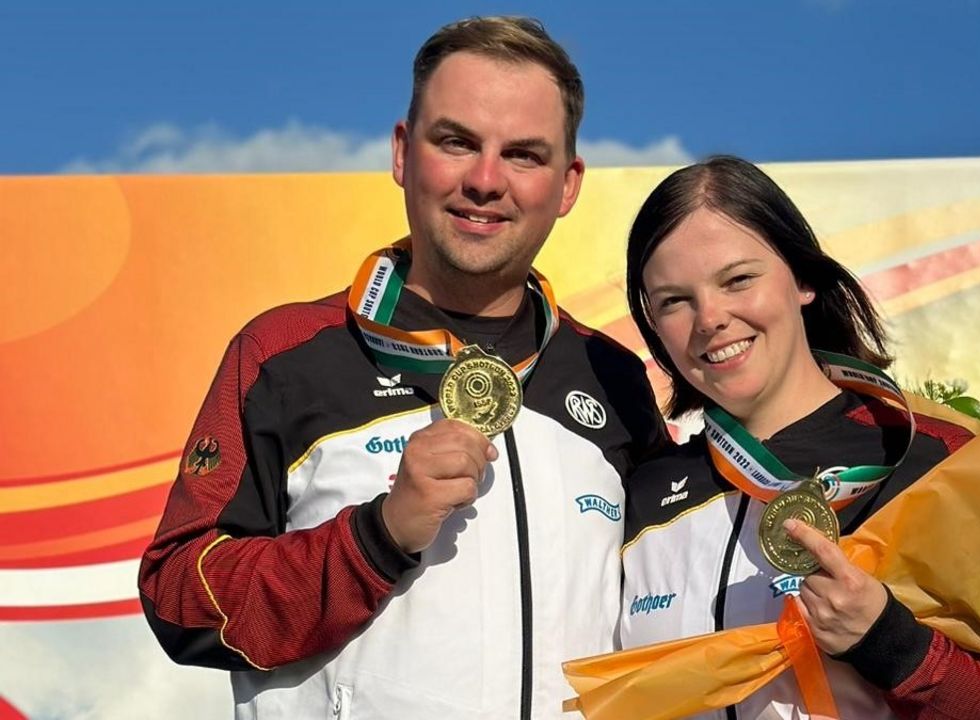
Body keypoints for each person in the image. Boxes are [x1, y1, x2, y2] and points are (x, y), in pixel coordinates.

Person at [139, 16, 667, 720]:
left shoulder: (614, 379)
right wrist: (375, 538)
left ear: (568, 185)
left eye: (523, 155)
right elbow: (178, 598)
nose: (485, 180)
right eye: (456, 142)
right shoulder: (284, 353)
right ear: (401, 153)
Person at [619, 155, 980, 719]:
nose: (709, 317)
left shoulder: (931, 461)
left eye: (738, 279)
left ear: (803, 279)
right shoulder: (644, 496)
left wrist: (887, 642)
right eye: (674, 300)